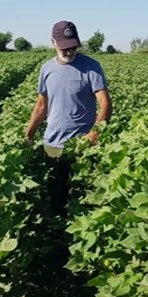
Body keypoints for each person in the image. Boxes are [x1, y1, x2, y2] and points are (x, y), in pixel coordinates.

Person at [25, 20, 112, 215]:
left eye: (73, 47)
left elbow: (105, 104)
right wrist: (28, 134)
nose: (69, 51)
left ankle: (82, 240)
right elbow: (41, 106)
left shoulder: (91, 67)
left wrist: (94, 133)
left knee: (83, 197)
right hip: (53, 144)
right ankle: (59, 236)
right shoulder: (46, 69)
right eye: (64, 47)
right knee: (56, 196)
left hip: (82, 145)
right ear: (53, 42)